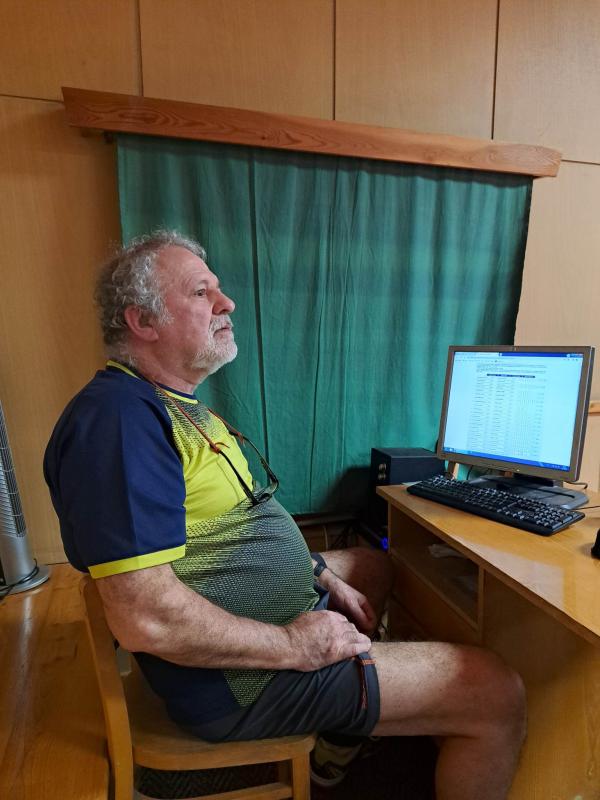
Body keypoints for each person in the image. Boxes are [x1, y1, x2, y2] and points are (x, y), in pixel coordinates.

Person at [44, 231, 526, 799]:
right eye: (201, 293)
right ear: (143, 322)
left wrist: (318, 574)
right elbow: (146, 618)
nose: (227, 304)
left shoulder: (172, 404)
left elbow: (239, 520)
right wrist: (295, 646)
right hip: (237, 682)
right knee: (496, 691)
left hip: (263, 628)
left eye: (218, 289)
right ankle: (363, 710)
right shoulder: (118, 423)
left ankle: (332, 751)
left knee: (371, 567)